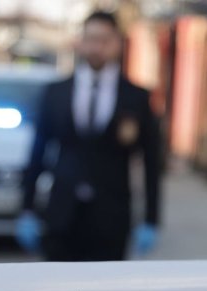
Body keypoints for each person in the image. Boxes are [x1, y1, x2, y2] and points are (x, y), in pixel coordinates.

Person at [16, 11, 162, 262]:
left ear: (117, 43)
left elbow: (151, 161)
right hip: (62, 214)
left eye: (105, 40)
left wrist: (151, 219)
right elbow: (37, 152)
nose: (97, 47)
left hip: (111, 220)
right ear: (81, 42)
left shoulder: (136, 97)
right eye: (92, 39)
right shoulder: (56, 92)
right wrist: (27, 208)